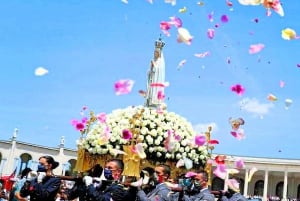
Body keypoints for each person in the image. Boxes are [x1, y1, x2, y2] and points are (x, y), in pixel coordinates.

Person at [145, 38, 166, 108]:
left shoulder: (160, 61)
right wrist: (150, 69)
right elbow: (150, 72)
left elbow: (159, 70)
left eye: (156, 53)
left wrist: (154, 64)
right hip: (152, 80)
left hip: (157, 81)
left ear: (159, 53)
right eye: (154, 52)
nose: (155, 54)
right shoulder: (154, 60)